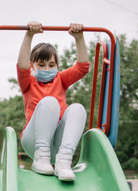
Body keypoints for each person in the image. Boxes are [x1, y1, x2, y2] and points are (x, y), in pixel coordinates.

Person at [17, 22, 89, 181]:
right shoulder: (28, 82)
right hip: (34, 140)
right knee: (50, 102)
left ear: (57, 65)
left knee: (77, 108)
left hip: (56, 143)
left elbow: (83, 67)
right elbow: (21, 66)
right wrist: (29, 35)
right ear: (32, 67)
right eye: (41, 65)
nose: (47, 69)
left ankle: (64, 161)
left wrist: (79, 38)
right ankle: (40, 159)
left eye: (51, 65)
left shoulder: (61, 79)